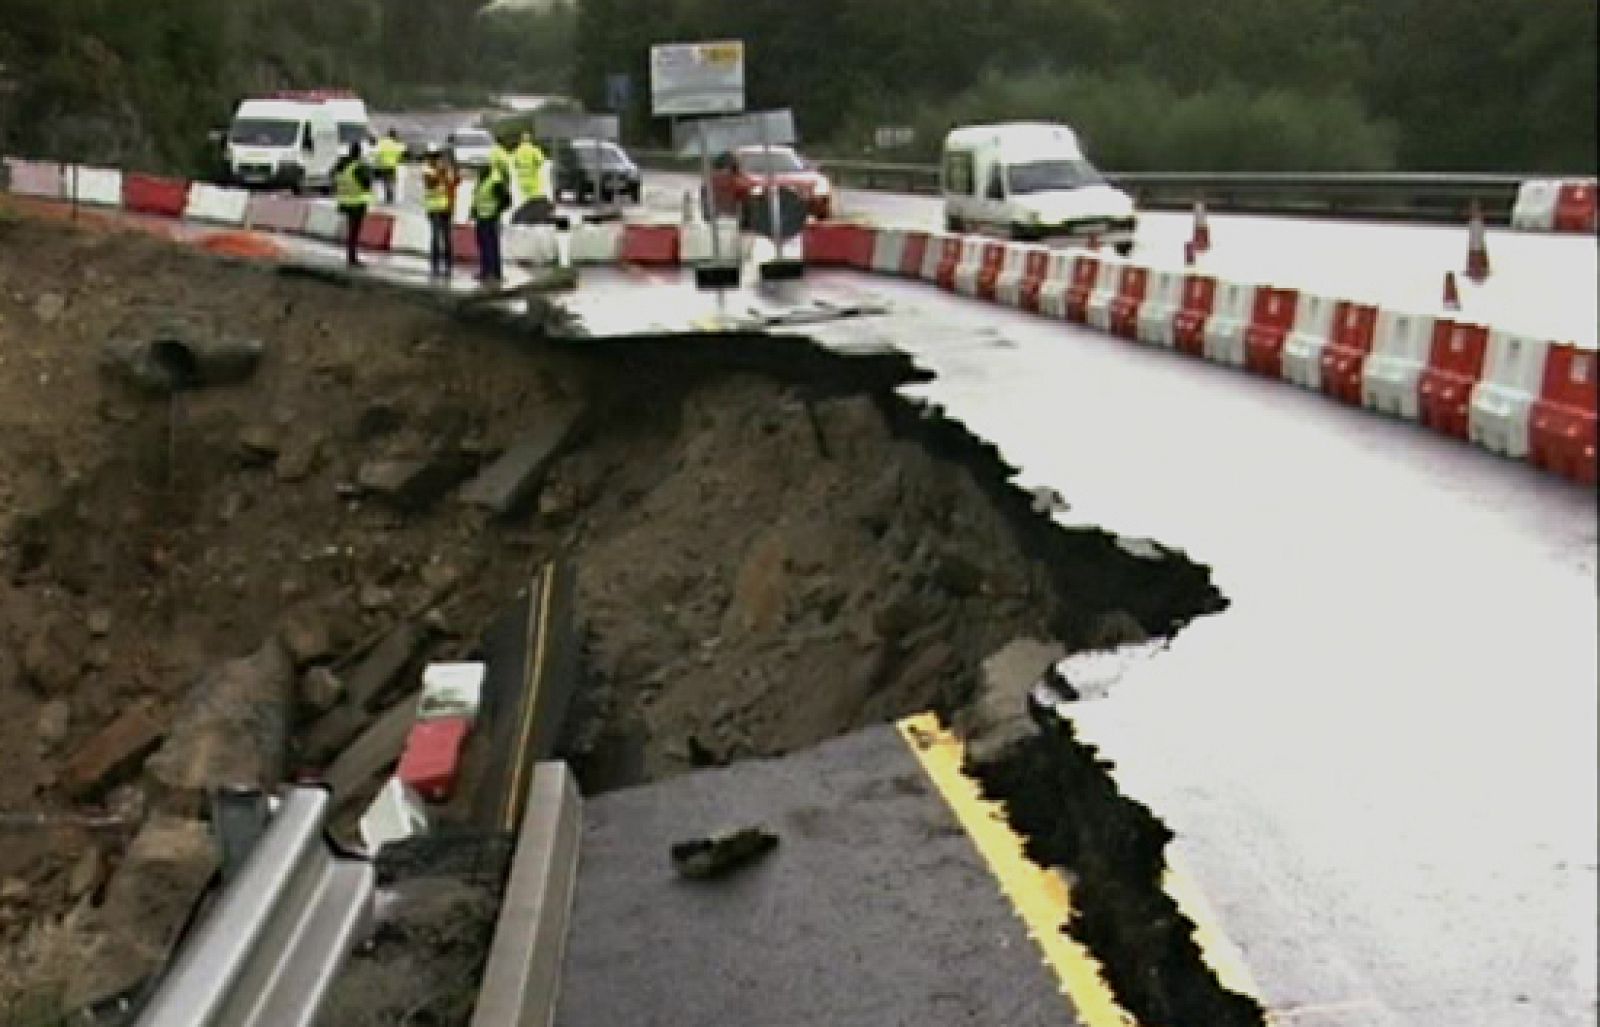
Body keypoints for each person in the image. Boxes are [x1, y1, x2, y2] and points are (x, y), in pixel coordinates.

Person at [470, 159, 512, 284]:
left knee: (491, 247)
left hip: (491, 219)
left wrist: (497, 211)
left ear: (487, 170)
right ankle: (486, 271)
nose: (479, 172)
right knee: (483, 246)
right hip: (481, 218)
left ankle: (493, 273)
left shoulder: (495, 182)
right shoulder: (481, 183)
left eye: (481, 170)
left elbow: (507, 200)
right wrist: (473, 211)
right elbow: (477, 199)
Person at [332, 143, 373, 267]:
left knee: (351, 230)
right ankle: (352, 258)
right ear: (359, 153)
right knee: (354, 231)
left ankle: (351, 256)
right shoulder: (359, 167)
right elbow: (367, 182)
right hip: (357, 202)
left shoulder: (341, 165)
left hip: (344, 201)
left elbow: (333, 177)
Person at [422, 146, 459, 276]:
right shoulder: (428, 170)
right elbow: (431, 183)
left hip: (446, 207)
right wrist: (442, 172)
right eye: (433, 157)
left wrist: (453, 168)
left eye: (437, 157)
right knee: (436, 238)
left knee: (447, 238)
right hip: (434, 208)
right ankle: (435, 266)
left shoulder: (445, 170)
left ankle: (448, 266)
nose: (435, 160)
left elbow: (455, 182)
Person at [373, 128, 406, 203]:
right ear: (394, 135)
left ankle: (387, 194)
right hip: (392, 166)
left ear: (388, 134)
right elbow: (402, 152)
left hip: (382, 165)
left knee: (384, 181)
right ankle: (389, 194)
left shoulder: (382, 142)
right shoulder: (396, 144)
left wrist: (377, 160)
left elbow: (376, 152)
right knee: (389, 181)